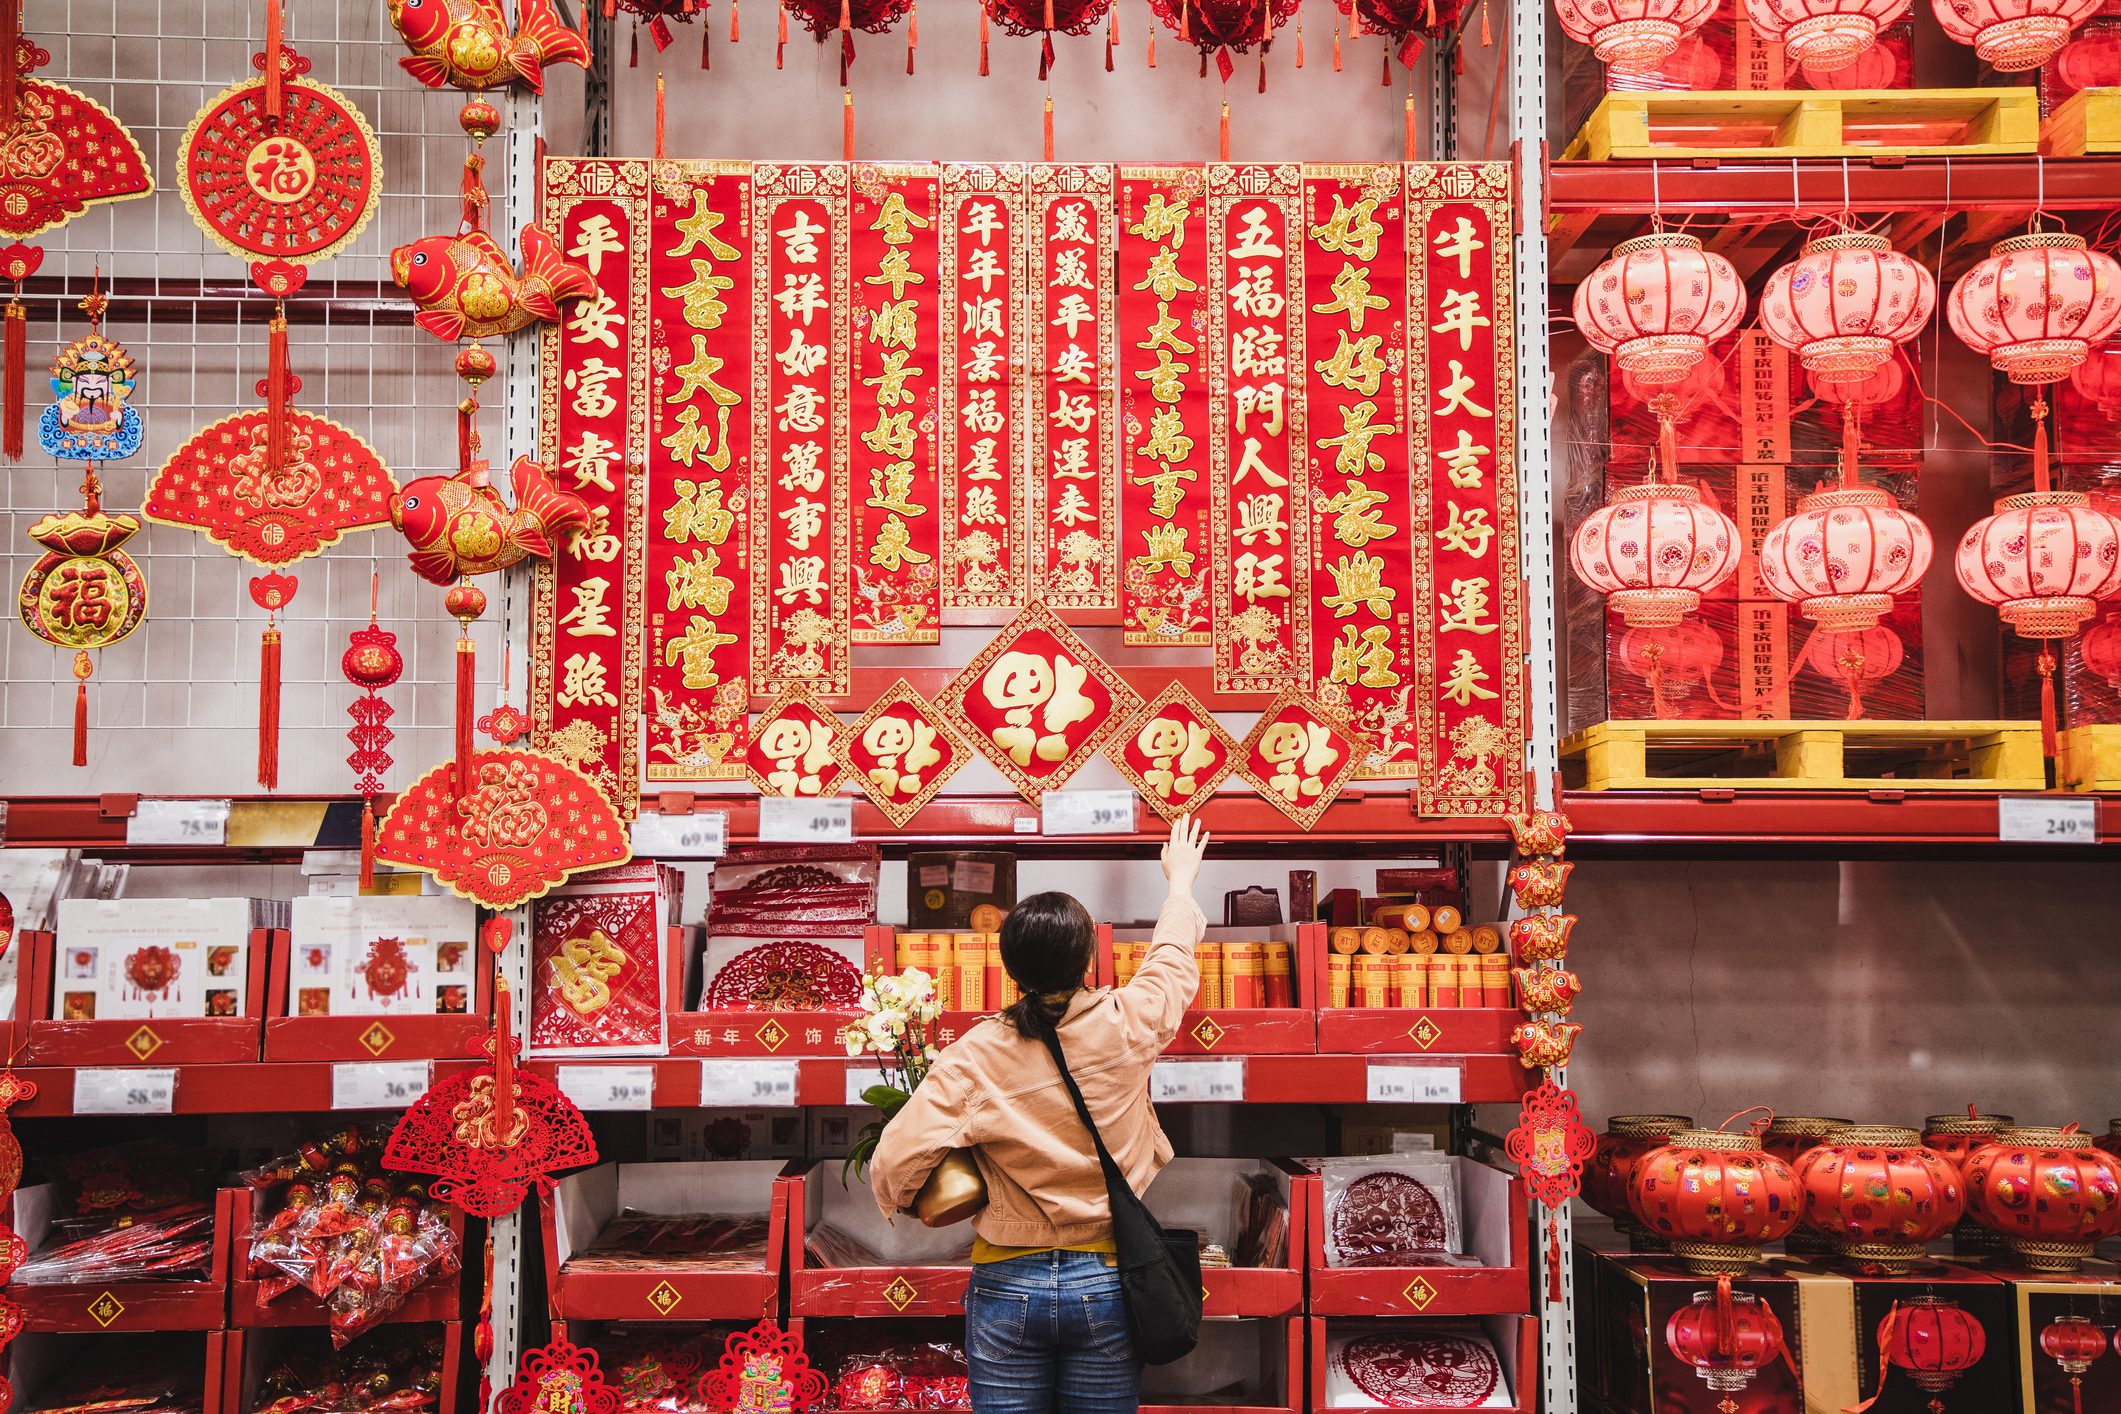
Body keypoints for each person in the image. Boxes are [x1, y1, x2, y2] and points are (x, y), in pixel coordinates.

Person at [870, 814, 1211, 1414]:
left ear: (1008, 967)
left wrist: (915, 1203)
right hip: (1109, 1277)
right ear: (1088, 961)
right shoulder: (1128, 1022)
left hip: (1007, 1282)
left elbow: (894, 1160)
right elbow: (1172, 959)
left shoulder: (976, 1052)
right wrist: (1179, 883)